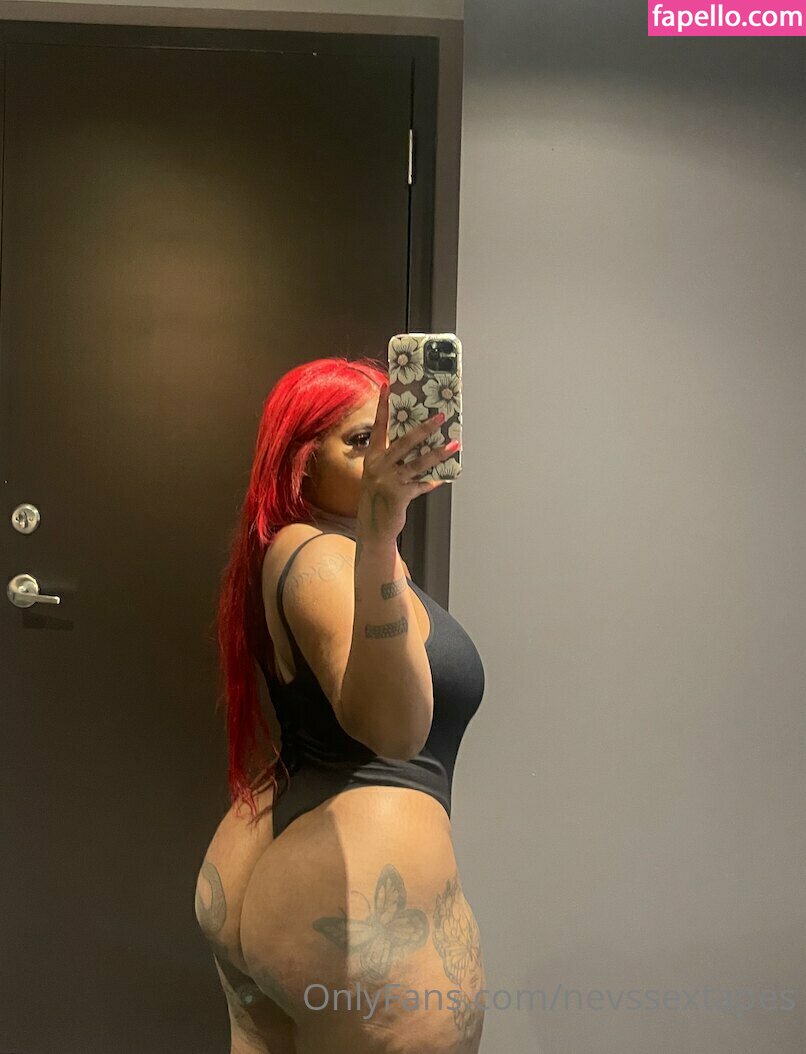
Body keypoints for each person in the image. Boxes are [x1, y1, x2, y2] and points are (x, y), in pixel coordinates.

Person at [194, 356, 487, 1053]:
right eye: (360, 442)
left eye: (390, 435)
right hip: (355, 900)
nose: (383, 457)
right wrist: (382, 534)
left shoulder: (304, 553)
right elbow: (395, 732)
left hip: (283, 876)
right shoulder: (324, 557)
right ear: (300, 465)